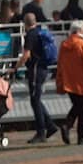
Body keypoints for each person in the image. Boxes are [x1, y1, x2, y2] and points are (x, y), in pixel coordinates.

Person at [55, 20, 83, 144]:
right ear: (80, 30)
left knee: (77, 106)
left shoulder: (64, 44)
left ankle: (69, 126)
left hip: (69, 81)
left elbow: (60, 63)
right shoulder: (82, 44)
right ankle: (80, 134)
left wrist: (60, 79)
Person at [19, 12, 59, 144]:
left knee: (35, 100)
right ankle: (50, 126)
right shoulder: (40, 31)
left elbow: (26, 55)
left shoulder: (30, 35)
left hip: (36, 69)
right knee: (36, 99)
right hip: (43, 69)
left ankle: (41, 132)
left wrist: (15, 67)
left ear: (25, 23)